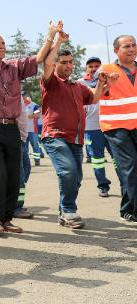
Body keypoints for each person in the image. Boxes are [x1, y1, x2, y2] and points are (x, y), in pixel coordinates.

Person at [0, 16, 53, 235]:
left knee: (13, 175)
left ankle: (7, 219)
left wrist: (51, 35)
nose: (1, 46)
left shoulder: (15, 67)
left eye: (3, 43)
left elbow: (39, 58)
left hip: (12, 128)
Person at [41, 30, 108, 229]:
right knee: (68, 171)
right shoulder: (51, 82)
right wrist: (57, 42)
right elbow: (46, 63)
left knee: (75, 178)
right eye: (63, 62)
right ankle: (70, 210)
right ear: (55, 64)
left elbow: (94, 98)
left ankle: (64, 212)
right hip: (55, 135)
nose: (68, 65)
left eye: (71, 62)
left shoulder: (78, 86)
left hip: (76, 139)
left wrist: (102, 83)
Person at [97, 35, 137, 223]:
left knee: (132, 168)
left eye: (134, 45)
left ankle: (129, 207)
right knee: (131, 166)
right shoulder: (106, 70)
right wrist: (103, 83)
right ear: (116, 51)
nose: (131, 49)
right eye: (126, 46)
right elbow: (94, 95)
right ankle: (130, 209)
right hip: (116, 128)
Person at [78, 56, 114, 197]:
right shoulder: (80, 83)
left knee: (118, 158)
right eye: (91, 66)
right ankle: (103, 185)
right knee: (97, 159)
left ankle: (126, 185)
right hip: (92, 127)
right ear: (86, 69)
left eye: (97, 66)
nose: (94, 68)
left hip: (111, 125)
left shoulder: (111, 80)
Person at [22, 92, 43, 166]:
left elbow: (38, 115)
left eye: (23, 95)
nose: (22, 97)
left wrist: (28, 116)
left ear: (26, 96)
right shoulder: (20, 105)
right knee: (25, 148)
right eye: (21, 95)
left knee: (35, 146)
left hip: (33, 130)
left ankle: (37, 160)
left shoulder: (34, 105)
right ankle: (26, 162)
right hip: (23, 130)